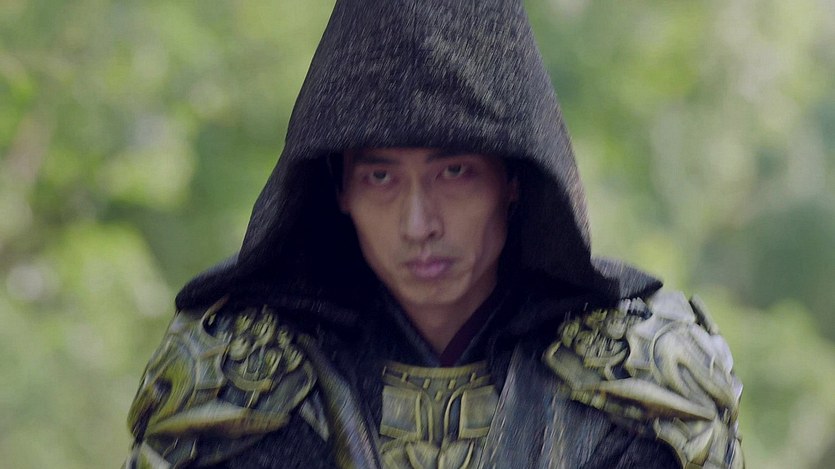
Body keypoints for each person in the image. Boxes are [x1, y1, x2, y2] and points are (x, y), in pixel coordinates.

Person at [124, 1, 743, 468]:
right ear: (339, 189)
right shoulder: (234, 385)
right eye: (381, 177)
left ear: (512, 180)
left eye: (454, 173)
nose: (419, 225)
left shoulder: (643, 386)